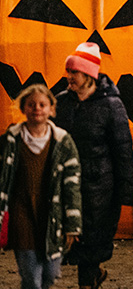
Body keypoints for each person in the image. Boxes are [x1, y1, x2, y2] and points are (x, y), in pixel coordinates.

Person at [53, 42, 133, 289]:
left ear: (89, 74)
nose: (69, 77)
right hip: (68, 185)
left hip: (99, 189)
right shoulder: (61, 103)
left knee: (90, 242)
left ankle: (88, 283)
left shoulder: (112, 106)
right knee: (74, 240)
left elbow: (123, 150)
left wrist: (126, 191)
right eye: (68, 72)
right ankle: (92, 277)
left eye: (74, 73)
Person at [0, 84, 82, 289]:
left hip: (52, 218)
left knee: (50, 275)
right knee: (31, 279)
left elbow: (72, 186)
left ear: (51, 109)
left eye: (42, 104)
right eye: (31, 104)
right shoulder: (11, 140)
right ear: (23, 108)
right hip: (22, 216)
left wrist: (73, 224)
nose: (37, 108)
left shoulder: (63, 142)